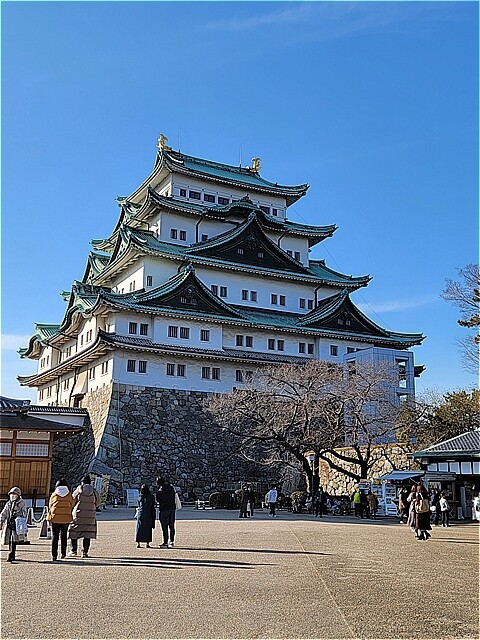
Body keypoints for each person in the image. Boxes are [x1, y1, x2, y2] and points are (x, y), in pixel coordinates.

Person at [68, 475, 98, 558]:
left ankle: (73, 550)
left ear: (82, 482)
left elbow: (72, 500)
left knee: (74, 532)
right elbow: (98, 502)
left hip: (78, 515)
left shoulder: (78, 490)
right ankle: (85, 552)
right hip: (90, 516)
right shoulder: (94, 491)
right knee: (87, 534)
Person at [47, 479, 74, 561]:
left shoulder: (54, 494)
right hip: (66, 518)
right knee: (64, 536)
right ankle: (63, 553)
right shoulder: (69, 495)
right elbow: (72, 504)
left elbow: (50, 505)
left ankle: (54, 555)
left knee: (55, 537)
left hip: (55, 518)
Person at [0, 487, 27, 562]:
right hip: (9, 522)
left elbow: (25, 513)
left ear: (18, 495)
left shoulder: (22, 503)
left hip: (17, 523)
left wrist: (17, 512)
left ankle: (11, 554)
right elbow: (4, 512)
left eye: (14, 494)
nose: (12, 495)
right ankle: (11, 554)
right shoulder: (8, 503)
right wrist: (1, 521)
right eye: (11, 494)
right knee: (8, 538)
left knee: (14, 539)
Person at [156, 476, 176, 547]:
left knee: (164, 527)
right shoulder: (171, 488)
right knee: (171, 526)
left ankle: (165, 541)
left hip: (164, 509)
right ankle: (172, 541)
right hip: (172, 509)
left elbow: (158, 499)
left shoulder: (160, 491)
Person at [136, 484, 156, 548]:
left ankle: (138, 543)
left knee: (139, 528)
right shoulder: (151, 497)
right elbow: (152, 505)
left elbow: (139, 505)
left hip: (141, 514)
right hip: (149, 513)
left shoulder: (140, 497)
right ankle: (147, 543)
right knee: (148, 528)